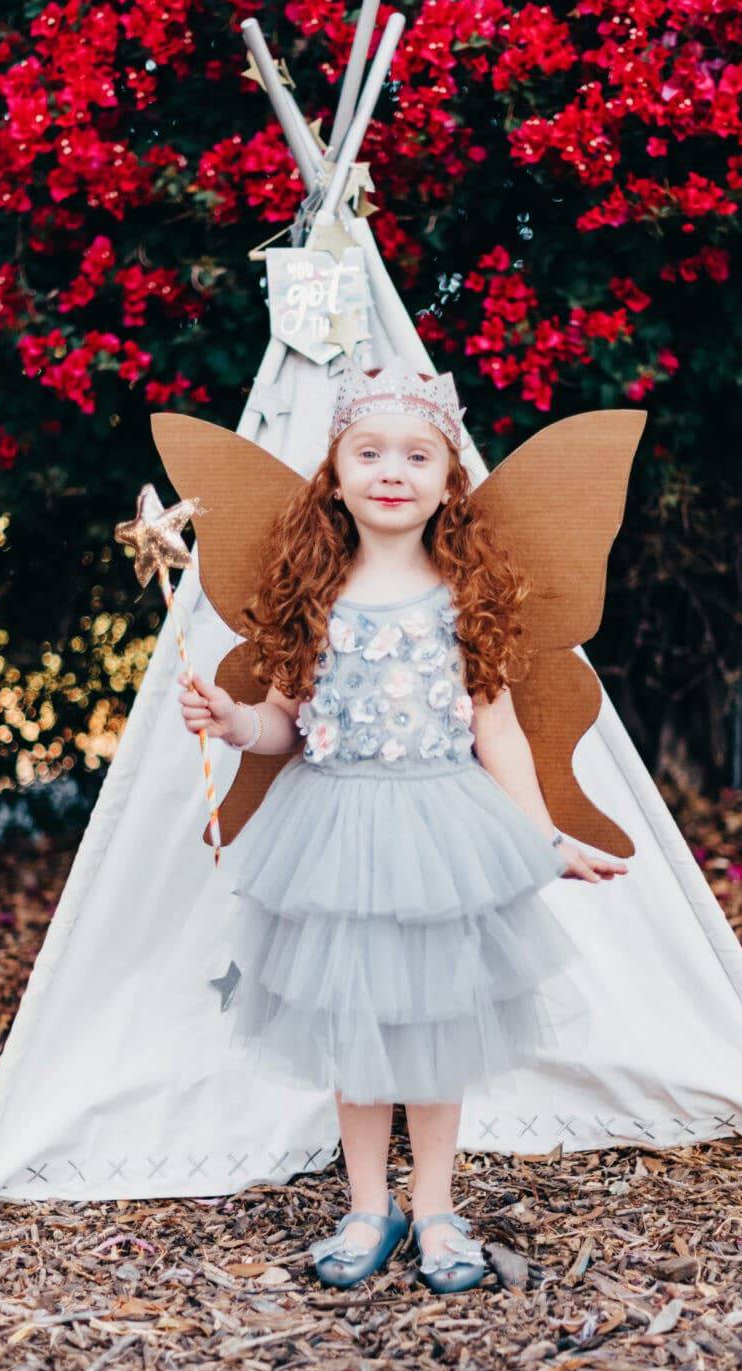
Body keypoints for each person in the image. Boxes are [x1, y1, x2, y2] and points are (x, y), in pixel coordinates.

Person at [178, 358, 627, 1294]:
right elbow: (285, 728)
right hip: (333, 831)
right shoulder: (316, 593)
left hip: (439, 829)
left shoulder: (465, 596)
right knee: (356, 1024)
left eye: (418, 455)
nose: (393, 470)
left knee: (434, 1025)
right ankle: (366, 1205)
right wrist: (231, 721)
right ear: (334, 473)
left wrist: (542, 839)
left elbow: (495, 728)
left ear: (448, 478)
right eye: (370, 451)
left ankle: (435, 1207)